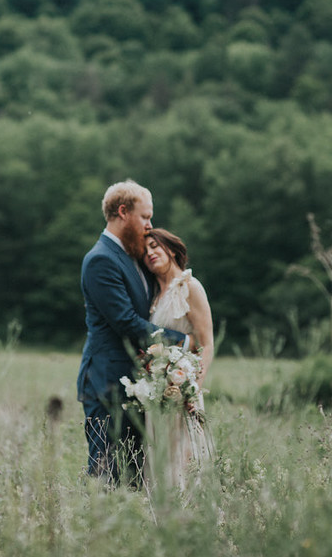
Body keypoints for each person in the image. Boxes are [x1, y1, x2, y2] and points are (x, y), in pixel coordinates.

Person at [76, 180, 186, 484]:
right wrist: (183, 341)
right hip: (106, 383)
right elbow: (125, 322)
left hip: (136, 385)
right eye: (145, 217)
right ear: (123, 212)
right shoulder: (100, 260)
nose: (150, 225)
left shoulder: (134, 256)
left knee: (135, 475)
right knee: (107, 475)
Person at [144, 227, 214, 489]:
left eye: (154, 246)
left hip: (183, 394)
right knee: (161, 464)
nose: (150, 253)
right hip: (158, 396)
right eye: (145, 252)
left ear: (171, 250)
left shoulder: (190, 286)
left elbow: (206, 344)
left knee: (184, 464)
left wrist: (192, 391)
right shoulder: (154, 296)